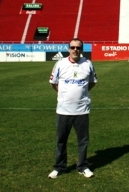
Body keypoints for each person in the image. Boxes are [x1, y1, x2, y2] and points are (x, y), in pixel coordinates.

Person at [48, 38, 97, 179]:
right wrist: (64, 95)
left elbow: (93, 82)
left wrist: (82, 93)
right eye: (73, 47)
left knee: (83, 141)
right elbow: (53, 83)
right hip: (63, 110)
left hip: (82, 110)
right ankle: (59, 167)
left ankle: (82, 166)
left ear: (82, 50)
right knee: (61, 140)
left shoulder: (88, 64)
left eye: (78, 48)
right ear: (68, 49)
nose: (75, 50)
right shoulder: (60, 64)